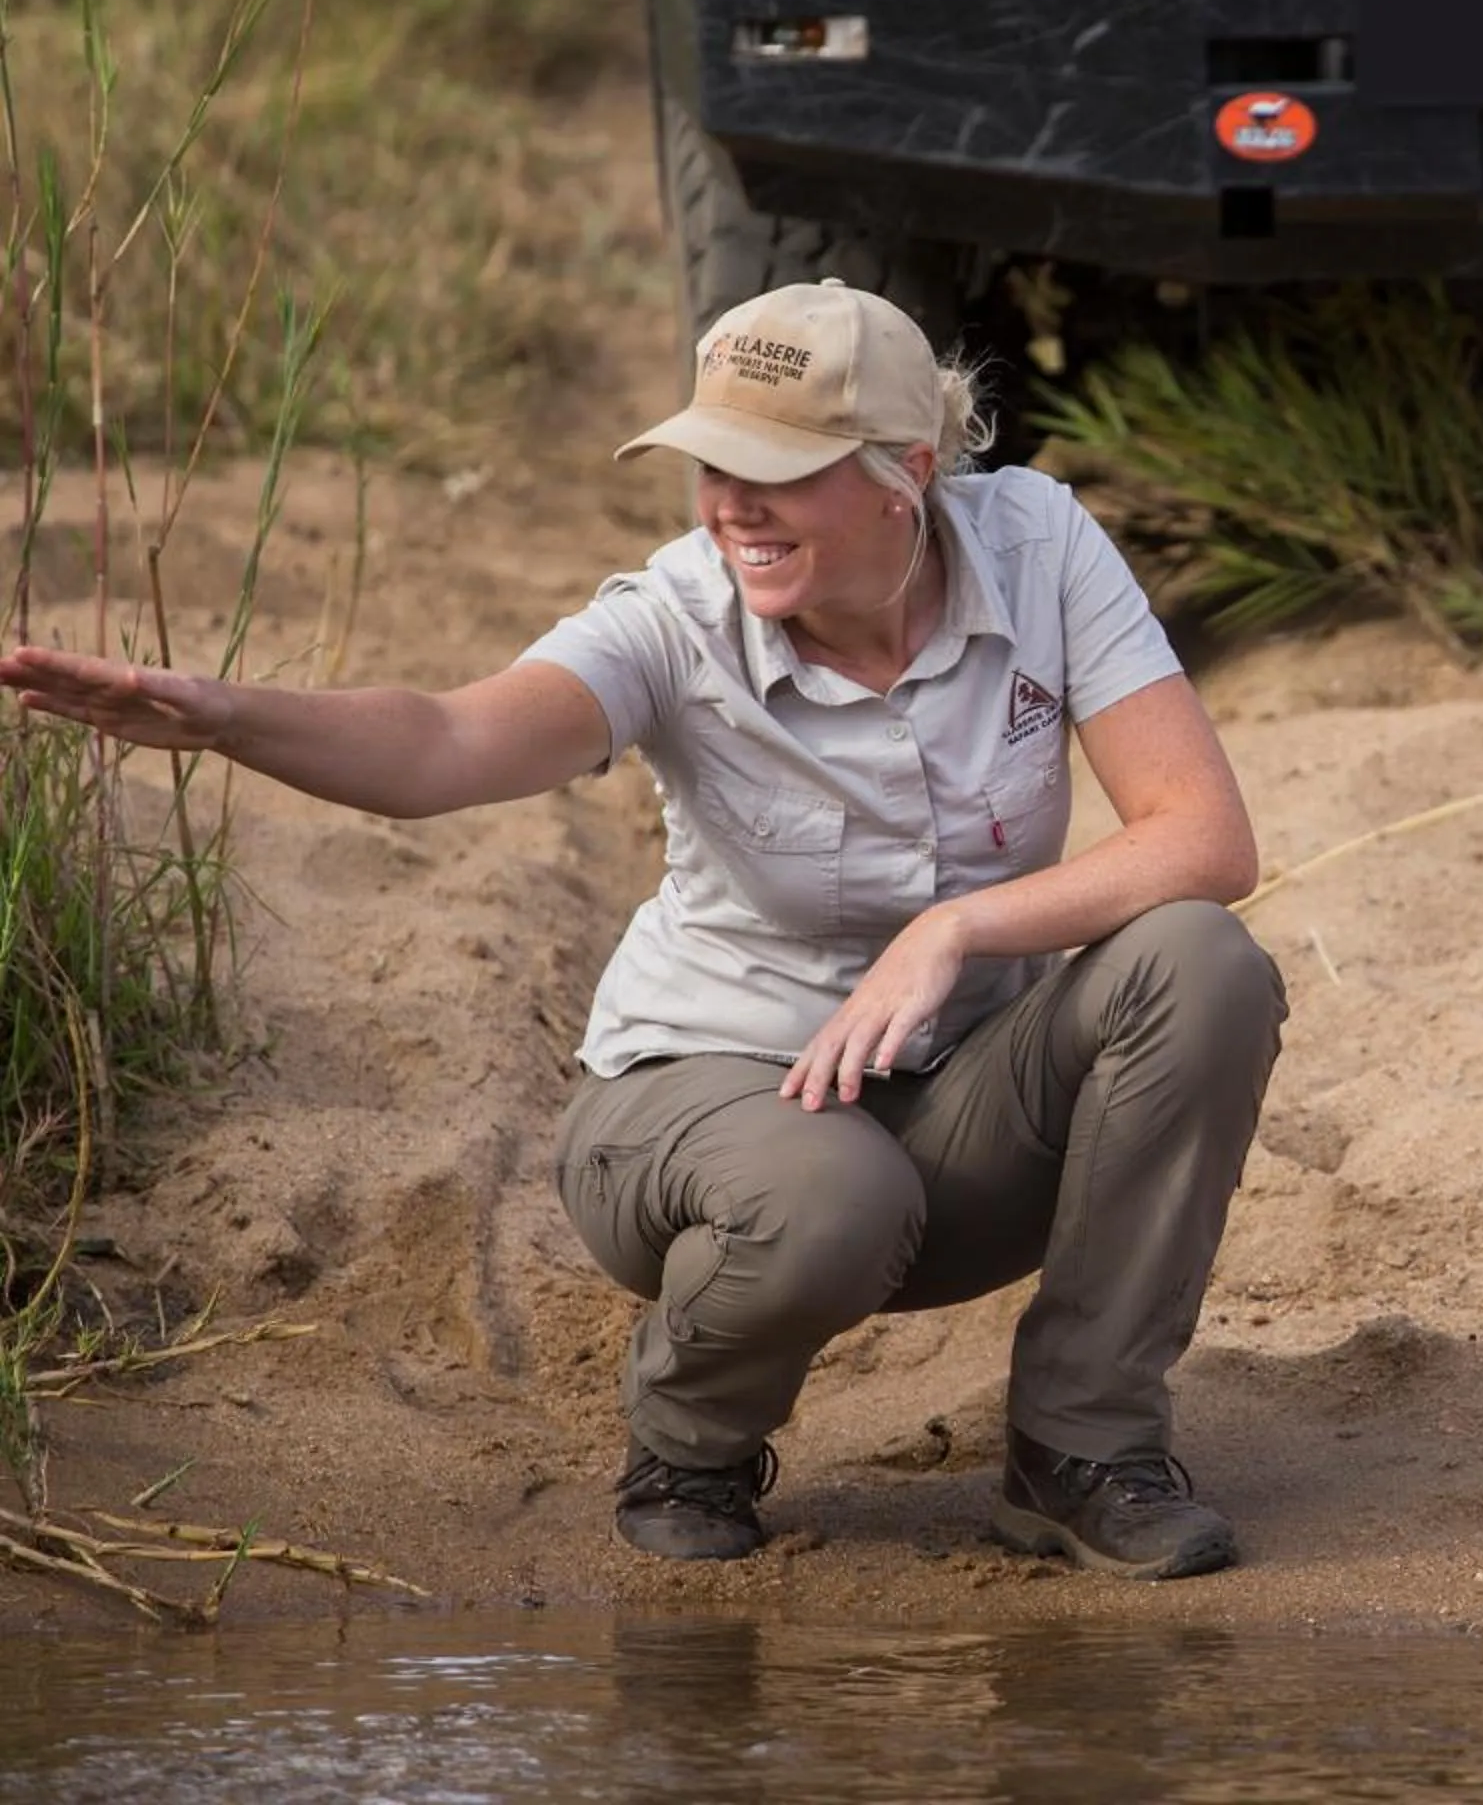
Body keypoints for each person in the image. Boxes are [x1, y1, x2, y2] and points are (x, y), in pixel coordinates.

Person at [0, 280, 1287, 1578]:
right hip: (701, 1124)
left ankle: (1081, 1451)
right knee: (833, 1190)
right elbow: (447, 740)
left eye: (775, 470)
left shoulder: (1039, 542)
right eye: (709, 463)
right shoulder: (673, 614)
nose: (731, 504)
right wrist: (226, 716)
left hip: (958, 1122)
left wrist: (958, 927)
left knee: (1201, 962)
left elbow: (1203, 838)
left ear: (907, 474)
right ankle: (691, 1433)